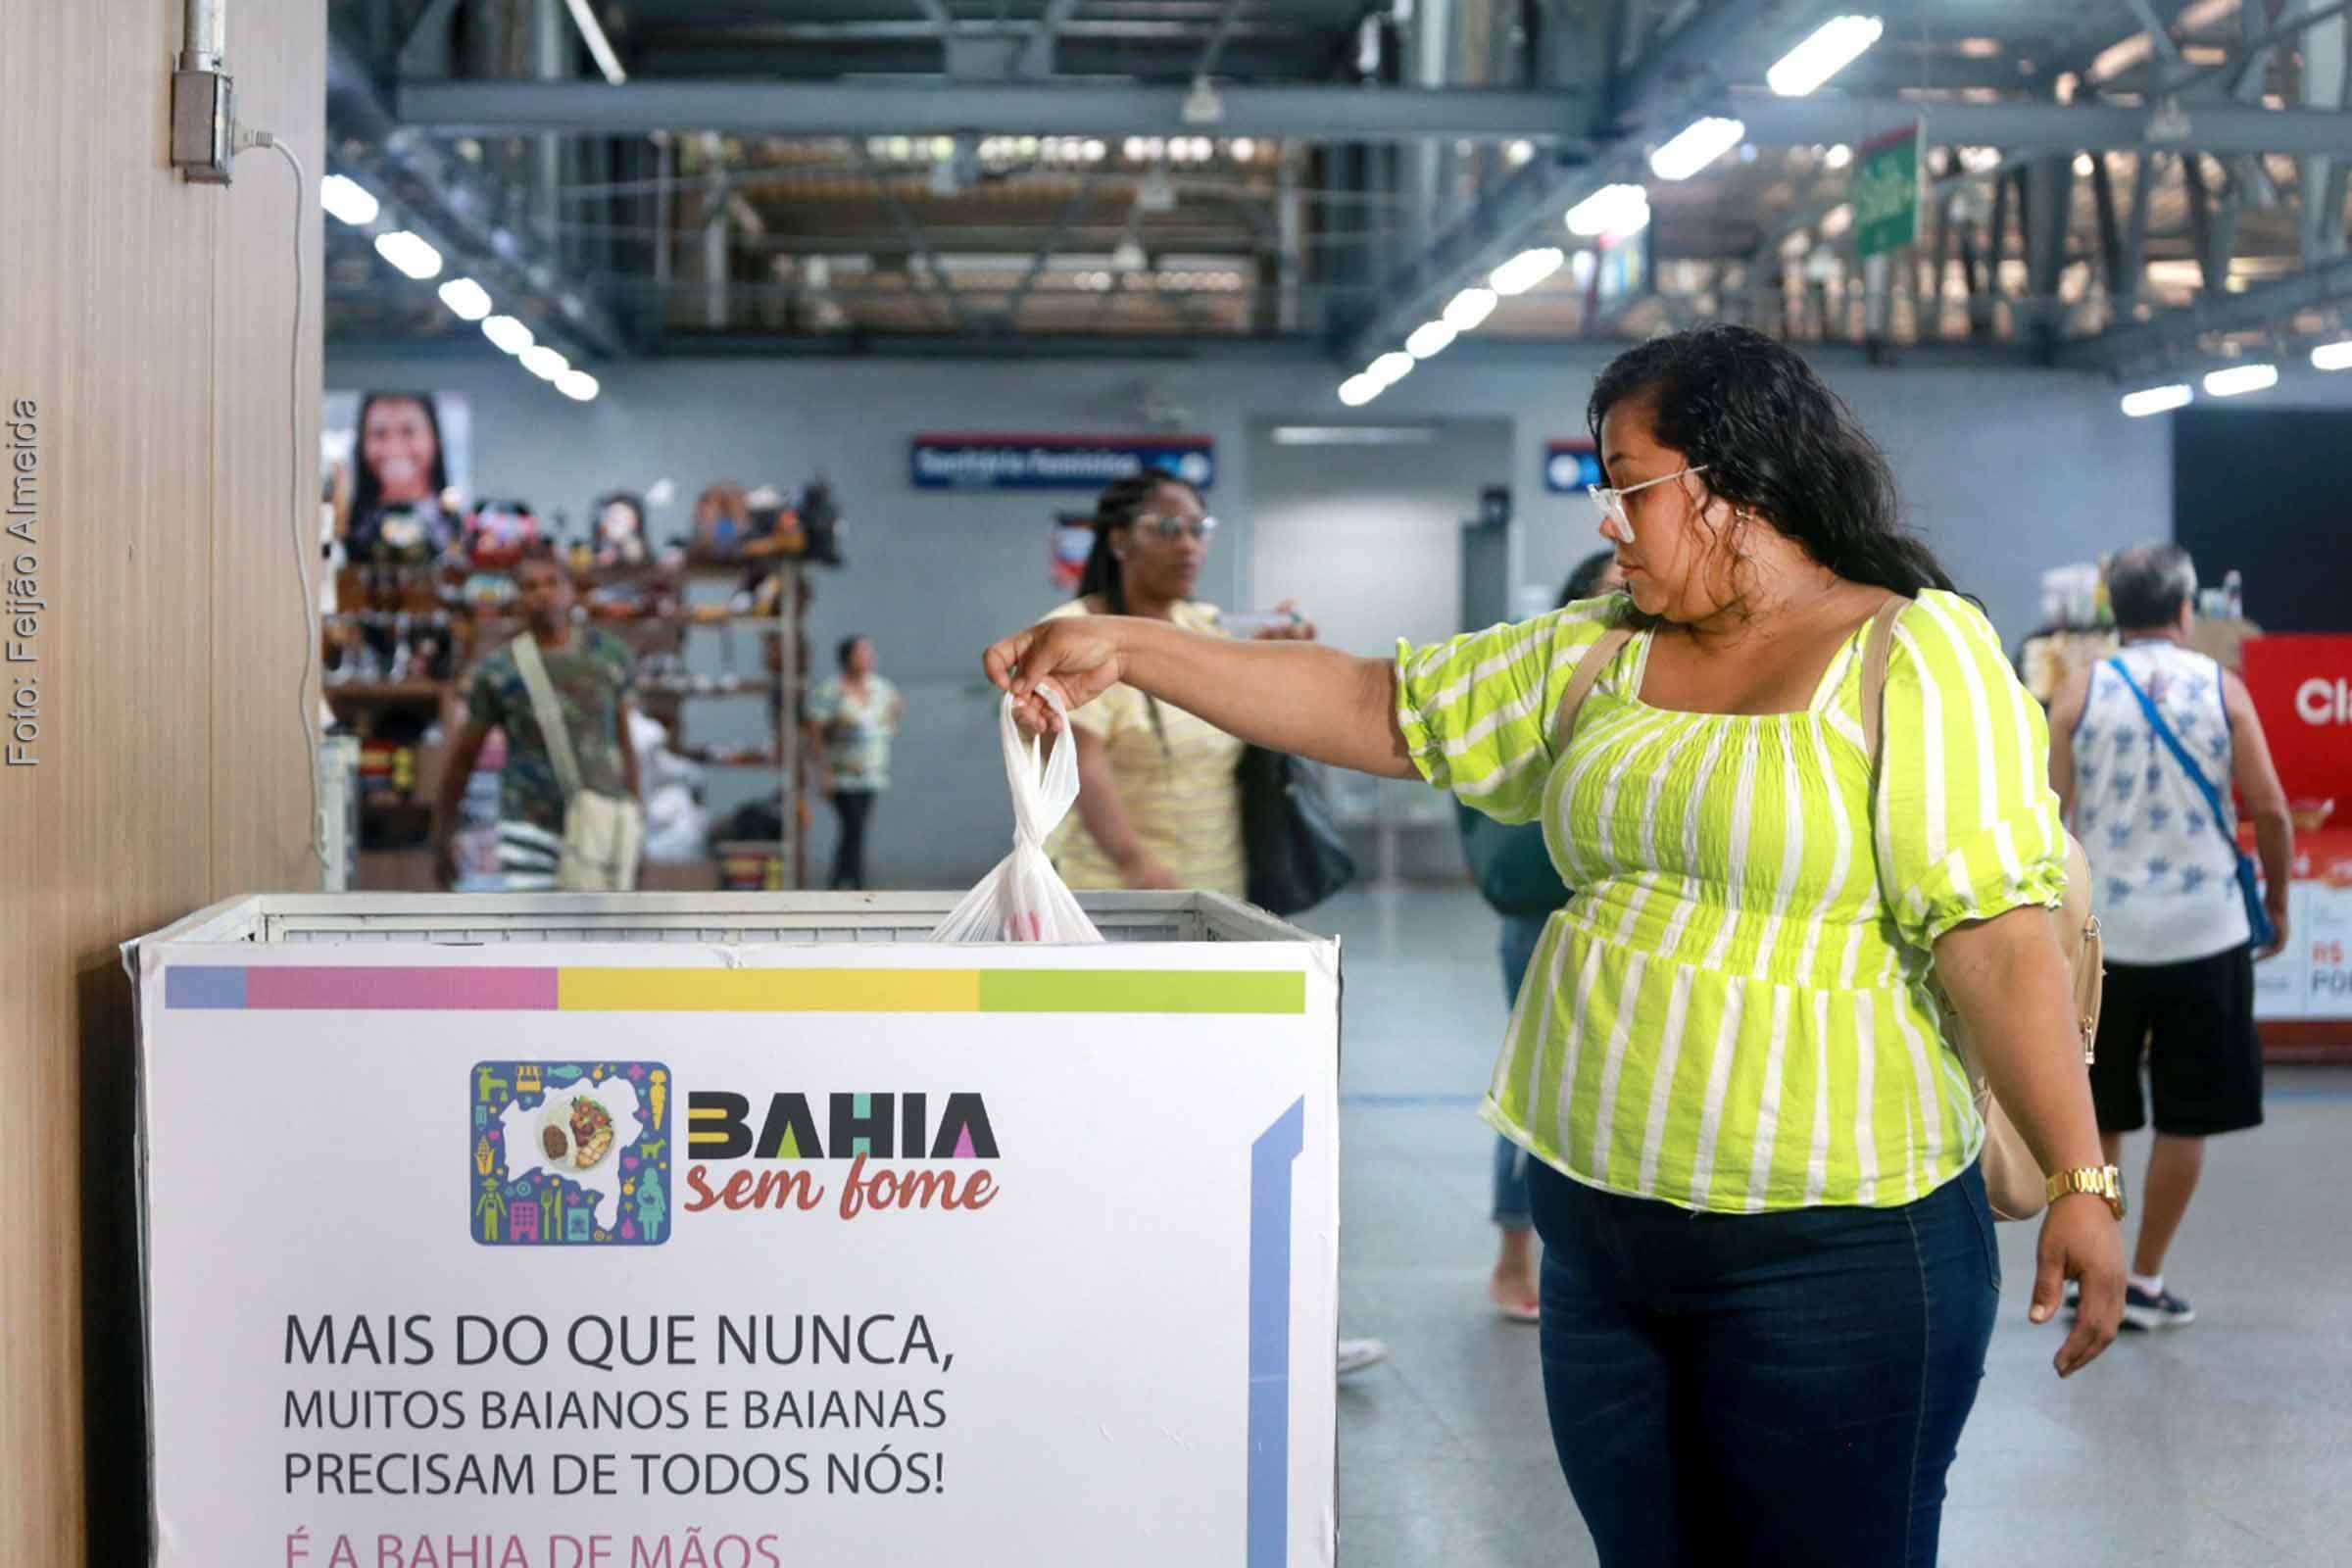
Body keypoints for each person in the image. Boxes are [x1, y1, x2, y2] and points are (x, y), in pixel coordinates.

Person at [985, 324, 2125, 1564]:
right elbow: (1375, 700)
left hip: (1836, 1250)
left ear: (1736, 481)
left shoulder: (1915, 654)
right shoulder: (1602, 653)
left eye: (1630, 485)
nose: (1609, 522)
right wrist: (1127, 647)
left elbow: (1996, 938)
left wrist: (2079, 1177)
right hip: (1601, 1234)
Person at [1043, 471, 1387, 1379]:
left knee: (1244, 1123)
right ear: (1119, 537)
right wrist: (1134, 864)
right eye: (1167, 527)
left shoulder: (1202, 629)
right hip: (1117, 915)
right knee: (1131, 1125)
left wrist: (1288, 659)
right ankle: (1126, 1327)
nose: (1189, 543)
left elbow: (1265, 705)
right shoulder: (1080, 630)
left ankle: (1272, 1329)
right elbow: (1085, 764)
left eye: (1198, 527)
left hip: (1224, 910)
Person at [2046, 543, 2292, 1332]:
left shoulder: (2079, 689)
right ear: (2186, 609)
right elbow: (2271, 811)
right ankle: (2146, 1280)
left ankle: (2095, 1276)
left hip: (2105, 939)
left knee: (2102, 1115)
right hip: (2206, 933)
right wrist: (2277, 903)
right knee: (2187, 1117)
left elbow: (2046, 820)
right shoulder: (2223, 689)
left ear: (2114, 611)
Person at [1459, 549, 1625, 1323]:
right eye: (1613, 592)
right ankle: (1513, 1253)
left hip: (1630, 919)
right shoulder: (1546, 685)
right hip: (1547, 910)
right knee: (1537, 1078)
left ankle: (1580, 1251)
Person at [434, 546, 642, 891]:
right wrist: (443, 833)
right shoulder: (500, 670)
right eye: (529, 586)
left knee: (598, 923)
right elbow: (464, 757)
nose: (542, 594)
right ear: (517, 598)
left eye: (552, 583)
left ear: (571, 590)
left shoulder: (608, 656)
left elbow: (624, 742)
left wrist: (634, 816)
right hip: (527, 820)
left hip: (600, 815)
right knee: (533, 920)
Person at [806, 635, 904, 892]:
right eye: (861, 653)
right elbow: (815, 731)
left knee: (857, 826)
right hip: (841, 772)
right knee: (853, 823)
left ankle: (842, 881)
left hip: (871, 770)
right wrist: (822, 771)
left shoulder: (881, 688)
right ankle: (853, 882)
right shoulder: (830, 690)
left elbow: (895, 710)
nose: (867, 658)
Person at [346, 392, 456, 560]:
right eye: (379, 433)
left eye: (409, 431)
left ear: (434, 438)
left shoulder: (455, 526)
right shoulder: (352, 529)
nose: (394, 448)